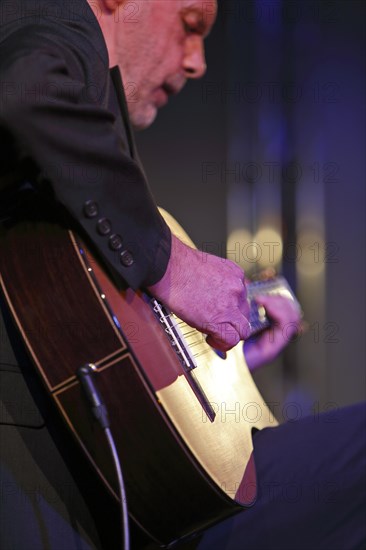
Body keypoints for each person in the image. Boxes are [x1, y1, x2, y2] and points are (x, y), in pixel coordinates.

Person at [0, 1, 364, 549]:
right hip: (50, 480)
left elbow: (89, 326)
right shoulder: (61, 26)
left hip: (123, 475)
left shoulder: (93, 119)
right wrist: (171, 262)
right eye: (190, 26)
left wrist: (221, 361)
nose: (197, 63)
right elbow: (25, 90)